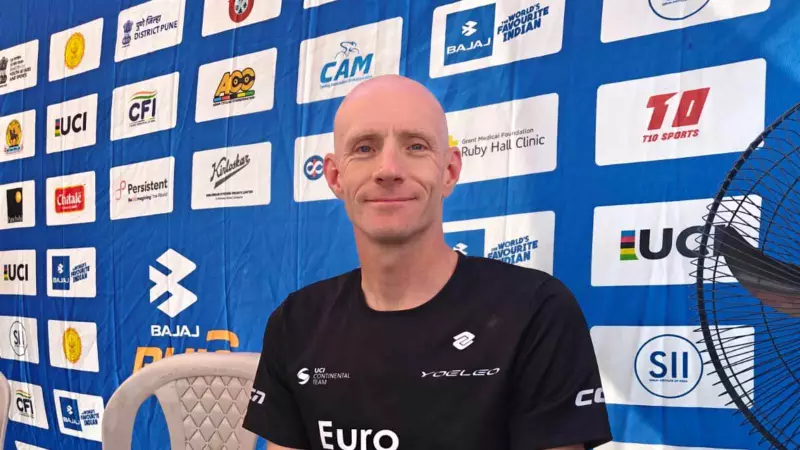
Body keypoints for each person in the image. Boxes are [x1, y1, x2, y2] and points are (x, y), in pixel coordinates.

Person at [242, 74, 613, 450]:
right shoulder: (296, 322)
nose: (388, 169)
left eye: (416, 146)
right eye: (365, 148)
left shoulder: (536, 311)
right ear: (336, 176)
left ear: (449, 171)